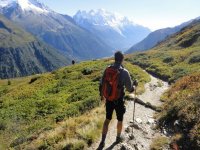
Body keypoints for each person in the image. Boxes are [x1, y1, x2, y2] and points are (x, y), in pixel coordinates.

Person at [98, 51, 138, 149]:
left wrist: (102, 96)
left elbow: (101, 84)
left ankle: (102, 141)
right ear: (122, 59)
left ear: (115, 58)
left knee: (107, 120)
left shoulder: (107, 69)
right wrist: (135, 85)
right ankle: (118, 138)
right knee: (120, 120)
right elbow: (130, 89)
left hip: (109, 100)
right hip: (119, 100)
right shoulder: (124, 72)